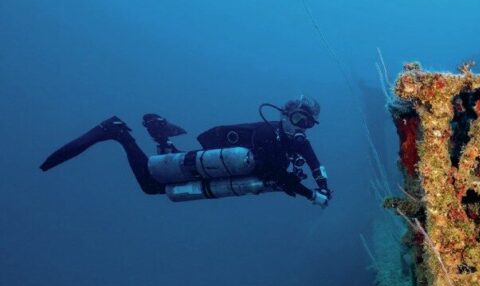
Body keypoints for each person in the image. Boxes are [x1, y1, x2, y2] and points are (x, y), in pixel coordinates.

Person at [40, 95, 332, 207]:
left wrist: (323, 186)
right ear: (285, 114)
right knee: (152, 186)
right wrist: (311, 196)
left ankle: (161, 134)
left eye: (307, 124)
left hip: (225, 169)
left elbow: (314, 162)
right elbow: (276, 173)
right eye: (297, 120)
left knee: (165, 180)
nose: (301, 128)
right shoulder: (270, 133)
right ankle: (118, 133)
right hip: (225, 162)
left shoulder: (298, 141)